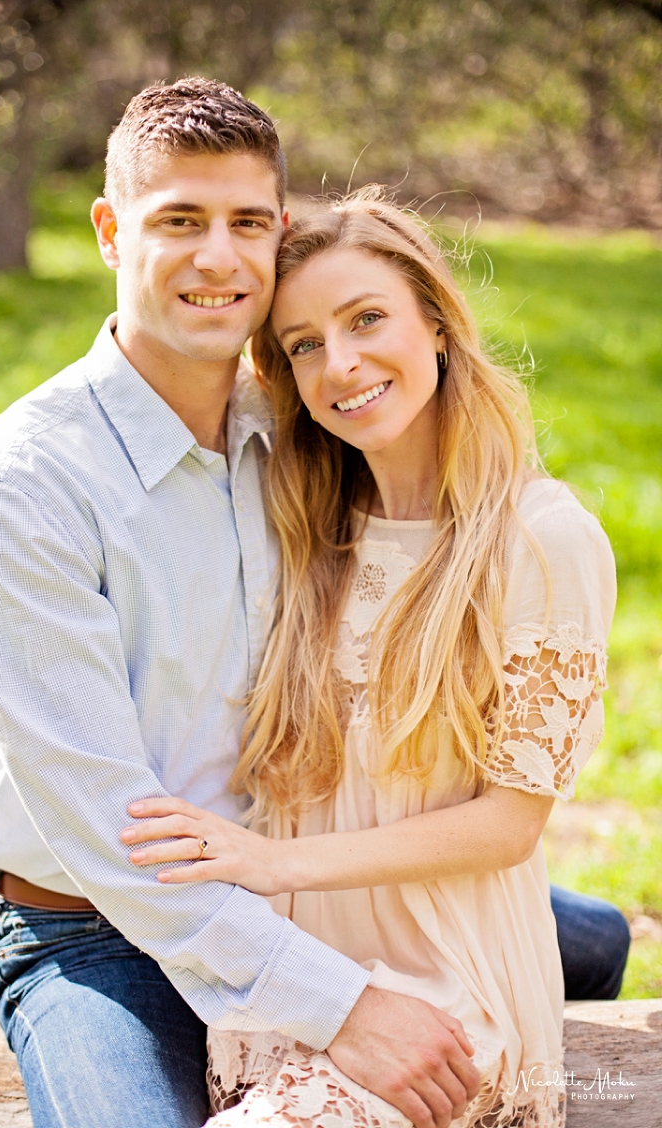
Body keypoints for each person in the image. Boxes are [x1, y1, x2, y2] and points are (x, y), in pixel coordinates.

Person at [0, 78, 626, 1128]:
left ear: (278, 233)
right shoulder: (24, 493)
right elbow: (118, 843)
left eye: (246, 222)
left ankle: (591, 938)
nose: (218, 257)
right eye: (178, 222)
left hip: (294, 869)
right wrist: (345, 1006)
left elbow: (458, 514)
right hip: (98, 925)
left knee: (560, 932)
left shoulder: (301, 435)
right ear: (111, 232)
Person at [117, 193, 617, 1127]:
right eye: (304, 344)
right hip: (289, 989)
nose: (340, 363)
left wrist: (269, 863)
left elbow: (510, 825)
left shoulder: (542, 539)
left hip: (446, 996)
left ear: (436, 322)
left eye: (368, 319)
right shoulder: (306, 529)